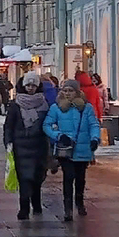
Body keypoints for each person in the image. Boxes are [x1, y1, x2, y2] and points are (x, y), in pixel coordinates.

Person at [43, 79, 101, 221]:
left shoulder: (86, 108)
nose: (68, 93)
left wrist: (95, 139)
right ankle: (67, 208)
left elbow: (94, 124)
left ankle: (79, 202)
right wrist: (59, 136)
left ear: (77, 92)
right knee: (68, 177)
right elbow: (47, 125)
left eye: (71, 90)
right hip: (66, 149)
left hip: (83, 148)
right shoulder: (57, 108)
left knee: (80, 178)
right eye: (65, 90)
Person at [3, 70, 51, 220]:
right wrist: (8, 141)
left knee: (38, 177)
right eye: (28, 85)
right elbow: (9, 125)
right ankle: (24, 208)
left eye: (33, 85)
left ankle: (36, 204)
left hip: (39, 146)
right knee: (24, 178)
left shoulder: (44, 104)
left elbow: (48, 124)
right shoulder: (16, 104)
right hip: (20, 146)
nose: (31, 88)